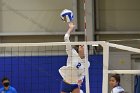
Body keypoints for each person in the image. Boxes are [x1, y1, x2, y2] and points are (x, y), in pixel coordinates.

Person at [59, 22, 90, 93]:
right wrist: (70, 28)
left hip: (75, 85)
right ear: (78, 48)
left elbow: (83, 74)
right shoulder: (72, 53)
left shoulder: (87, 63)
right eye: (80, 45)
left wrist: (80, 80)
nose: (81, 46)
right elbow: (66, 38)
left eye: (83, 45)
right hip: (66, 83)